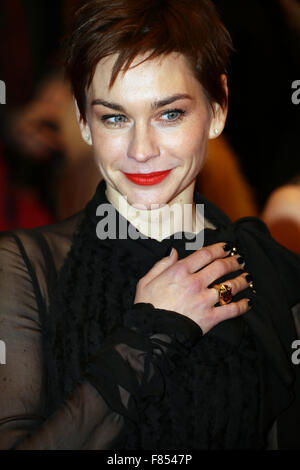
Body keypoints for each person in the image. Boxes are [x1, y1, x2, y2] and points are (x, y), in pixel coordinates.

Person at [0, 0, 299, 450]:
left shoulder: (267, 273)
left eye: (170, 114)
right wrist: (151, 331)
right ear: (84, 121)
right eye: (115, 117)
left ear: (217, 108)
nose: (141, 150)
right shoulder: (26, 266)